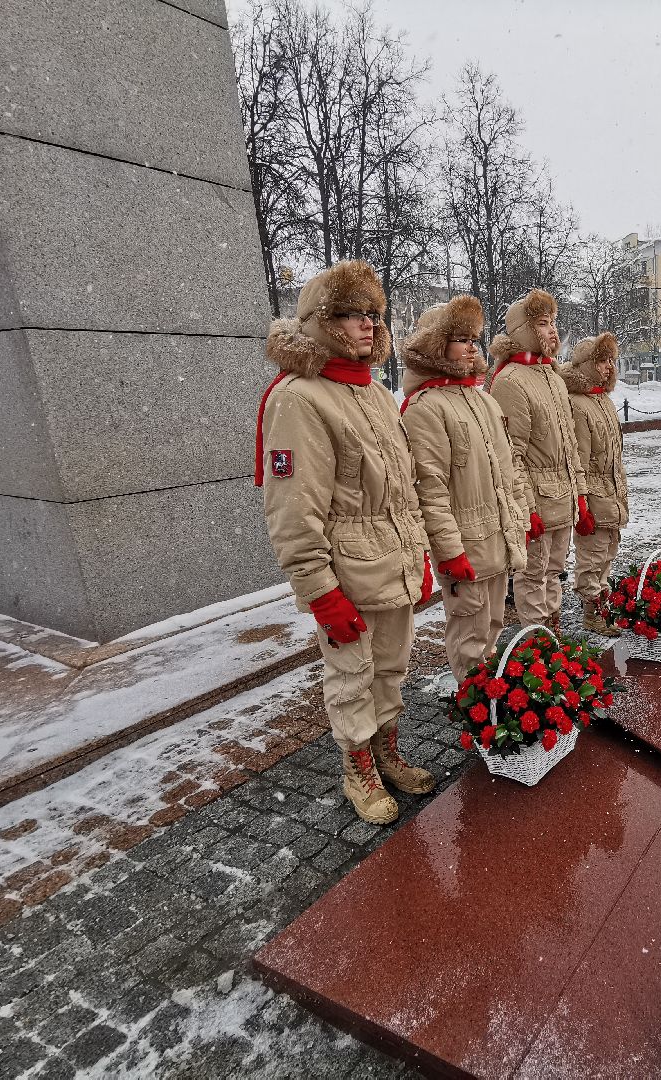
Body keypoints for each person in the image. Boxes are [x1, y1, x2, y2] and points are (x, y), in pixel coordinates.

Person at [256, 260, 435, 825]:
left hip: (394, 562)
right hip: (348, 571)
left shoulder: (377, 395)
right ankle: (358, 763)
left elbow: (404, 490)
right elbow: (292, 510)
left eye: (374, 315)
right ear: (322, 322)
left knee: (390, 667)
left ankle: (385, 749)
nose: (368, 325)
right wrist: (319, 593)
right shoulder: (300, 398)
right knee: (352, 673)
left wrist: (420, 556)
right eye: (352, 314)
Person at [399, 295, 530, 687]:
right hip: (465, 544)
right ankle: (475, 703)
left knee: (491, 625)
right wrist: (449, 550)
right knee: (470, 633)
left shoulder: (483, 400)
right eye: (461, 339)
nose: (472, 347)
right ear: (437, 345)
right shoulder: (425, 407)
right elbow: (430, 490)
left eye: (474, 338)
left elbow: (508, 471)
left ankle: (488, 699)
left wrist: (519, 518)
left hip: (496, 537)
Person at [488, 289, 589, 632]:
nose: (552, 331)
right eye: (543, 324)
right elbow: (511, 455)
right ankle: (538, 640)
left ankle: (553, 633)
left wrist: (581, 495)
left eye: (553, 323)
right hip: (537, 500)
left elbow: (570, 443)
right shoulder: (511, 381)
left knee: (554, 571)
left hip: (563, 497)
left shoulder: (553, 376)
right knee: (532, 575)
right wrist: (526, 508)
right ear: (524, 330)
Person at [560, 332, 629, 635]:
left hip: (612, 492)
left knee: (608, 554)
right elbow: (580, 459)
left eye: (611, 361)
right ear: (586, 364)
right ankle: (592, 611)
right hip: (594, 494)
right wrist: (582, 502)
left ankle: (602, 606)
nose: (608, 367)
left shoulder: (603, 400)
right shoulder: (578, 404)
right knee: (592, 557)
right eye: (601, 361)